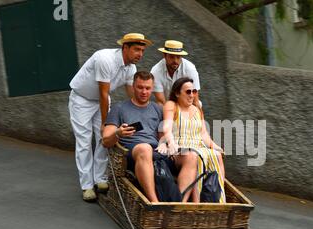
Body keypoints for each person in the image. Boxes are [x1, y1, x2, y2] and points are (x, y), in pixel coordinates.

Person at [68, 33, 152, 202]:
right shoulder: (105, 58)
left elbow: (133, 97)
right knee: (84, 141)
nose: (140, 54)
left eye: (142, 50)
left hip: (103, 101)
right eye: (136, 49)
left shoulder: (131, 69)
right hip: (82, 100)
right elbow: (103, 92)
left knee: (104, 139)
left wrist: (143, 115)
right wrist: (106, 123)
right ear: (125, 47)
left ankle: (100, 179)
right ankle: (87, 186)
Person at [102, 71, 198, 203]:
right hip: (133, 153)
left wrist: (165, 144)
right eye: (140, 87)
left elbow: (163, 135)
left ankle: (181, 203)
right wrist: (118, 133)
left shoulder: (157, 108)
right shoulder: (119, 108)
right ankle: (155, 203)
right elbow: (105, 141)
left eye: (147, 88)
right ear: (133, 87)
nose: (144, 92)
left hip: (157, 152)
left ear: (152, 89)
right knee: (145, 148)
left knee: (191, 155)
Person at [157, 77, 225, 203]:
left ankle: (219, 199)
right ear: (177, 93)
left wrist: (215, 146)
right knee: (195, 155)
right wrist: (171, 142)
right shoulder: (171, 105)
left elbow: (203, 134)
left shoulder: (197, 109)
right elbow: (167, 127)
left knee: (217, 155)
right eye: (188, 92)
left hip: (198, 147)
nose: (192, 95)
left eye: (194, 92)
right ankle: (195, 203)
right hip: (179, 149)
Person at [150, 40, 201, 107]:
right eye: (172, 57)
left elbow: (195, 100)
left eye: (178, 57)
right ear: (165, 56)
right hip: (167, 106)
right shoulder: (155, 71)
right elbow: (161, 102)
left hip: (187, 105)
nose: (175, 61)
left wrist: (199, 116)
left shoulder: (190, 69)